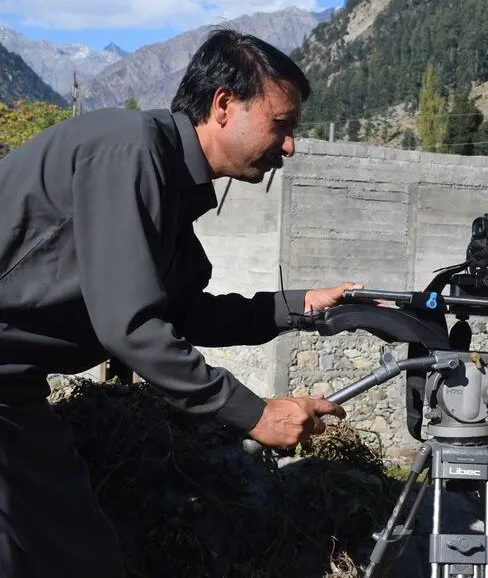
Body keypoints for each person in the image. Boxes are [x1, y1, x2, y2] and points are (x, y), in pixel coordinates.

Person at [0, 29, 359, 578]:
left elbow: (186, 314)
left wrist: (301, 305)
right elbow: (132, 326)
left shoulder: (172, 188)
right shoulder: (129, 149)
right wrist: (255, 414)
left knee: (76, 550)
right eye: (281, 124)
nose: (289, 146)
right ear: (223, 104)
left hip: (12, 387)